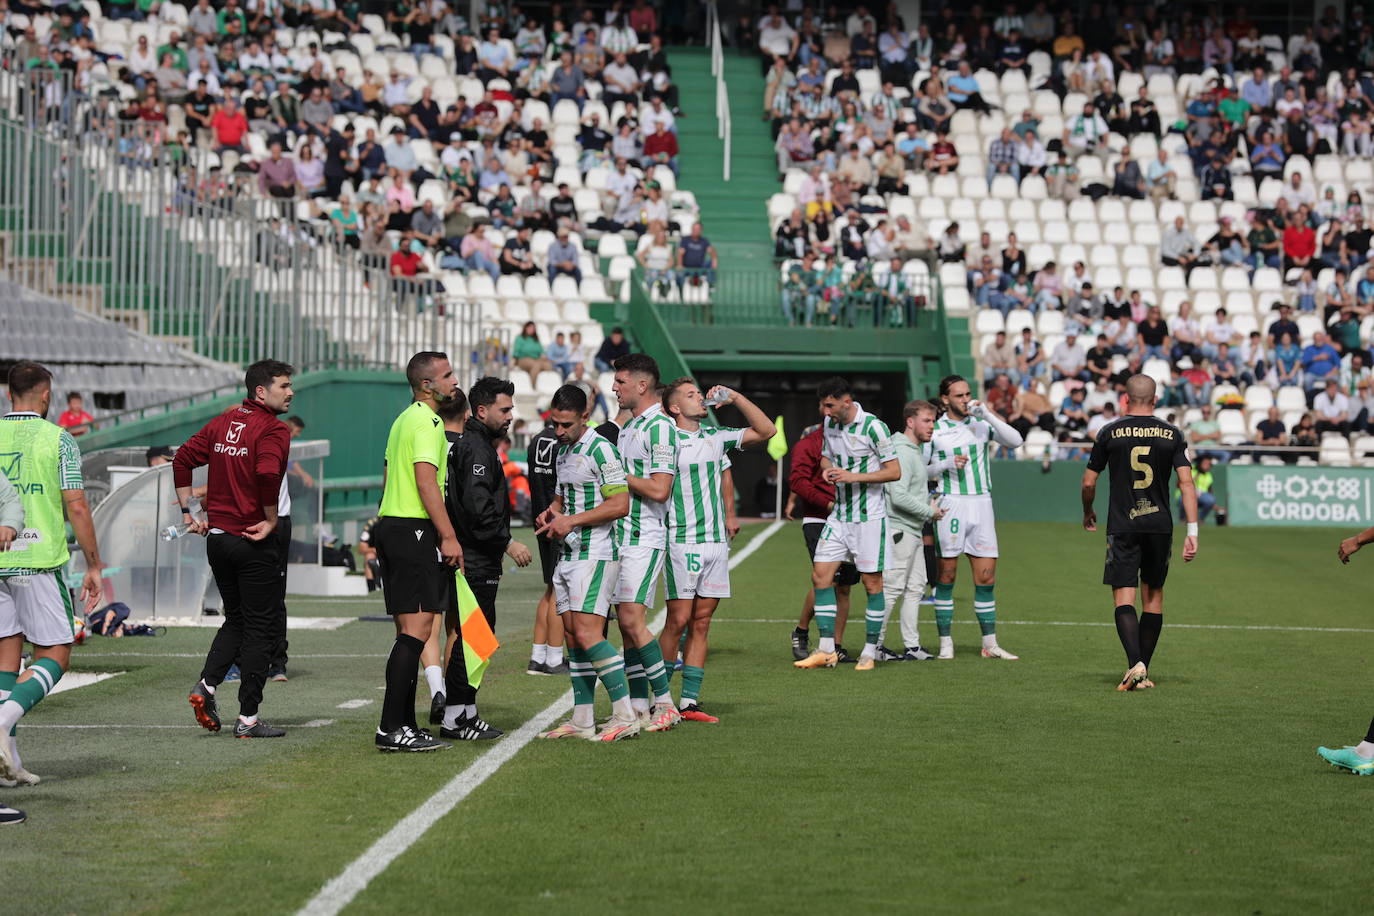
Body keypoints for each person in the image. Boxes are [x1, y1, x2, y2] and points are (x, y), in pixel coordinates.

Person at [0, 363, 103, 810]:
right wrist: (95, 564)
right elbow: (76, 504)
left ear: (9, 396)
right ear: (46, 397)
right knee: (57, 653)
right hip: (37, 560)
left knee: (6, 657)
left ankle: (10, 762)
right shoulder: (58, 439)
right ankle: (2, 723)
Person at [177, 360, 293, 739]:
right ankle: (247, 719)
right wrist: (272, 518)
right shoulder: (274, 429)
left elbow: (181, 460)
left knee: (237, 619)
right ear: (262, 391)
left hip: (218, 540)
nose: (291, 392)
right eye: (284, 386)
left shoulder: (222, 422)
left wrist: (188, 512)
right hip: (252, 539)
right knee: (261, 627)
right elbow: (266, 474)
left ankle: (207, 686)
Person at [657, 378, 775, 717]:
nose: (700, 398)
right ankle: (662, 699)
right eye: (691, 395)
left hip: (715, 544)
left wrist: (735, 397)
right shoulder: (666, 440)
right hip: (681, 541)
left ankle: (689, 700)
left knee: (703, 622)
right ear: (676, 407)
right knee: (677, 621)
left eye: (699, 394)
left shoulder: (714, 437)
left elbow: (766, 431)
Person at [369, 351, 463, 752]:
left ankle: (403, 723)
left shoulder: (403, 419)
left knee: (410, 631)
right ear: (427, 385)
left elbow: (389, 474)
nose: (454, 380)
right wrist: (448, 536)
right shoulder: (428, 422)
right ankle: (391, 727)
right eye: (447, 375)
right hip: (414, 529)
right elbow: (427, 484)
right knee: (416, 632)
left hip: (395, 526)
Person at [1080, 374, 1199, 691]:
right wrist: (1194, 530)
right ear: (1156, 399)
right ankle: (1142, 670)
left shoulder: (1109, 432)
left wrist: (1087, 511)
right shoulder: (1172, 433)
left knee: (1123, 596)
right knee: (1154, 597)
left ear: (1125, 399)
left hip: (1123, 524)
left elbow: (1089, 482)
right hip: (1160, 525)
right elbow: (1187, 483)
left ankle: (1136, 665)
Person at [535, 384, 636, 741]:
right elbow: (563, 500)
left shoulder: (601, 449)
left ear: (583, 417)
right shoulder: (563, 451)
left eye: (565, 424)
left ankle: (625, 713)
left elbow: (620, 504)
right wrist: (552, 515)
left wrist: (571, 521)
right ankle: (582, 720)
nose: (558, 431)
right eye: (554, 423)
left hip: (595, 554)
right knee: (573, 639)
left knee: (590, 635)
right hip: (568, 554)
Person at [442, 376, 530, 739]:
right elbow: (478, 508)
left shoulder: (478, 444)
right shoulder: (477, 449)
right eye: (504, 409)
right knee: (472, 638)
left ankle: (466, 710)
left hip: (475, 555)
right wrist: (508, 542)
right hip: (475, 558)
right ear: (481, 410)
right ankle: (454, 718)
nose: (510, 415)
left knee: (477, 637)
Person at [795, 376, 902, 671]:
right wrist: (828, 470)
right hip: (839, 516)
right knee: (821, 577)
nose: (824, 411)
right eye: (822, 404)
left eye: (829, 405)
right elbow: (826, 459)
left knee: (871, 583)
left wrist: (854, 476)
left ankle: (869, 652)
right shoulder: (830, 425)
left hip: (869, 519)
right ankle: (827, 649)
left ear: (846, 401)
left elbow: (894, 472)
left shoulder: (874, 427)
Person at [925, 375, 1025, 660]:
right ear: (945, 399)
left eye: (967, 394)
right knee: (946, 576)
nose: (965, 400)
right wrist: (944, 464)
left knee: (986, 577)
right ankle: (946, 642)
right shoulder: (936, 428)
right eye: (958, 395)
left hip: (982, 503)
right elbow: (920, 469)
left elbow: (1016, 441)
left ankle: (990, 644)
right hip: (951, 504)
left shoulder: (981, 424)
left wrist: (989, 414)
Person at [608, 354, 681, 731]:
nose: (614, 388)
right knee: (625, 623)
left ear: (641, 385)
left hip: (644, 537)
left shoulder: (661, 429)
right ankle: (638, 705)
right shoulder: (629, 427)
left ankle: (666, 704)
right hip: (621, 536)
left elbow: (659, 488)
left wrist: (618, 475)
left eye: (620, 382)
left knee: (634, 620)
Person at [787, 412, 861, 662]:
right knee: (826, 580)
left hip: (853, 519)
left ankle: (835, 646)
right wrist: (827, 504)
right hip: (819, 518)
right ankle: (802, 631)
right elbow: (798, 480)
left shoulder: (859, 436)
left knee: (844, 587)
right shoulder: (810, 442)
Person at [875, 400, 945, 661]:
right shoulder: (902, 451)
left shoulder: (913, 450)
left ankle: (912, 647)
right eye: (927, 420)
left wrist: (931, 506)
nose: (932, 426)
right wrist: (930, 511)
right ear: (910, 421)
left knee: (916, 587)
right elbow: (897, 496)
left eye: (933, 421)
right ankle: (876, 646)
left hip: (912, 529)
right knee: (892, 589)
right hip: (899, 529)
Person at [525, 417, 567, 676]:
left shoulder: (536, 439)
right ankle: (553, 657)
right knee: (559, 591)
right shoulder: (562, 442)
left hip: (539, 515)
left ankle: (537, 656)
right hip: (556, 518)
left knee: (551, 588)